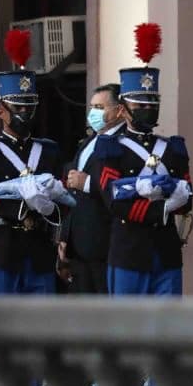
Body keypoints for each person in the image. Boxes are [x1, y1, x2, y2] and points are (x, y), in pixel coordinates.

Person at [93, 23, 193, 296]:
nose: (148, 109)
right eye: (140, 104)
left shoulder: (172, 148)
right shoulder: (110, 148)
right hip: (129, 253)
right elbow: (114, 200)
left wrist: (174, 198)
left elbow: (188, 201)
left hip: (167, 254)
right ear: (124, 109)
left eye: (152, 102)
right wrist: (161, 209)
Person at [0, 30, 66, 297]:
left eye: (29, 107)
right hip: (2, 249)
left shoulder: (48, 150)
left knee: (41, 329)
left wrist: (50, 208)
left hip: (39, 250)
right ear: (1, 111)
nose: (25, 113)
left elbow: (64, 196)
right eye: (19, 107)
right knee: (0, 330)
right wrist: (24, 206)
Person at [59, 83, 126, 293]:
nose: (93, 113)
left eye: (100, 107)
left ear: (118, 110)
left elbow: (120, 188)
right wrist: (64, 237)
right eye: (92, 107)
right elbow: (72, 193)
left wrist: (87, 183)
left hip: (105, 245)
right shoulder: (89, 140)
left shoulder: (124, 142)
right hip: (78, 246)